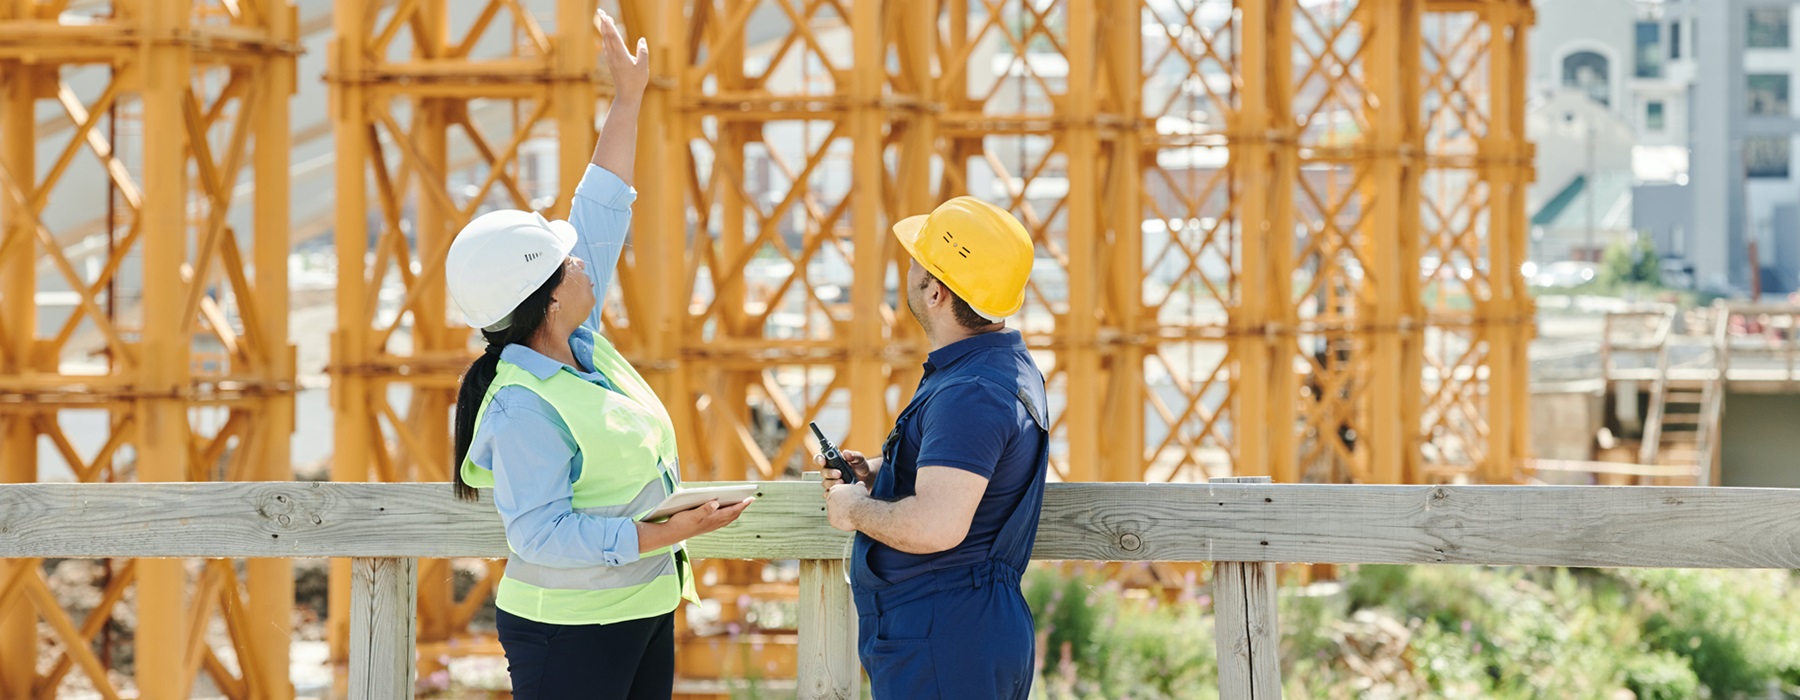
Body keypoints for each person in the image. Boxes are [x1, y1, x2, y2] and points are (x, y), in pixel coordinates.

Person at [445, 11, 751, 699]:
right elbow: (540, 537)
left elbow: (603, 206)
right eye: (566, 258)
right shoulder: (525, 404)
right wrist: (662, 534)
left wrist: (628, 98)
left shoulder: (582, 344)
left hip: (639, 608)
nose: (583, 257)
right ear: (550, 296)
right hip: (570, 628)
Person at [817, 197, 1050, 699]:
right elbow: (973, 475)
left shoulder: (971, 392)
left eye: (917, 260)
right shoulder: (995, 369)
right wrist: (884, 472)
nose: (909, 267)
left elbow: (937, 525)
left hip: (942, 635)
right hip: (958, 630)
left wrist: (855, 509)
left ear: (936, 291)